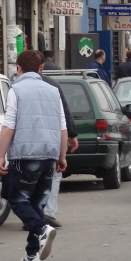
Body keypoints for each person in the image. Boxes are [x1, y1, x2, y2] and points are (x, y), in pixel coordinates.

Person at [0, 50, 68, 261]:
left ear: (18, 68)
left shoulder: (15, 89)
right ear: (41, 68)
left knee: (17, 199)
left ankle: (41, 228)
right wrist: (62, 156)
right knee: (37, 203)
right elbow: (62, 126)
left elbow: (9, 125)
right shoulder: (53, 90)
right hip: (49, 154)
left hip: (25, 154)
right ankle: (32, 252)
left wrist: (1, 155)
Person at [40, 72, 79, 228]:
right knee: (54, 173)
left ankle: (32, 214)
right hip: (51, 135)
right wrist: (72, 134)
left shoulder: (16, 86)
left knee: (28, 176)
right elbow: (64, 111)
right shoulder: (52, 85)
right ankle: (48, 212)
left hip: (25, 140)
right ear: (41, 66)